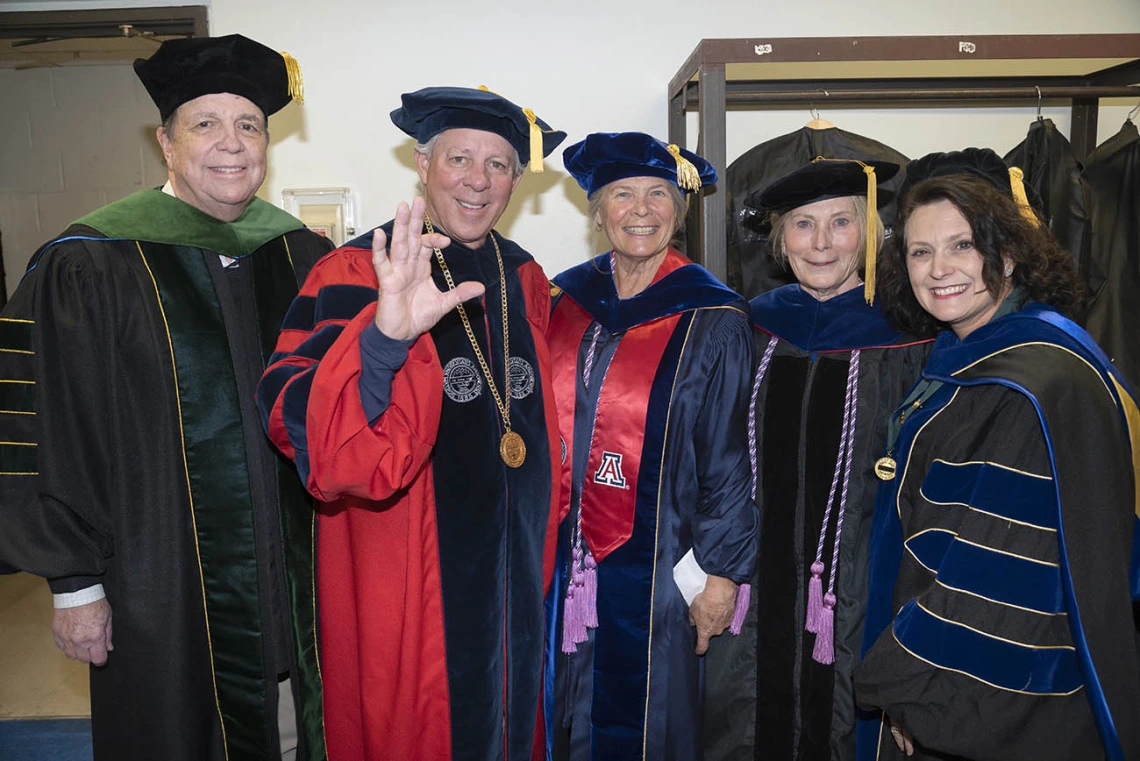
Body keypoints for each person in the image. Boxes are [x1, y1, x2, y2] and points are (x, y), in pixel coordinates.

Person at [0, 35, 332, 761]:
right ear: (166, 142)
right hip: (157, 583)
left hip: (290, 583)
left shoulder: (299, 257)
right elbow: (44, 427)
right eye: (205, 123)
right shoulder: (90, 263)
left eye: (249, 124)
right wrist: (74, 582)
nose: (231, 143)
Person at [257, 86, 566, 761]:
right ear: (422, 165)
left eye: (499, 164)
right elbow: (295, 417)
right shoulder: (356, 271)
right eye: (459, 158)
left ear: (517, 178)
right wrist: (383, 340)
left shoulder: (526, 279)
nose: (478, 180)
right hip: (407, 575)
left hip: (514, 576)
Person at [855, 148, 1140, 761]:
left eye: (962, 245)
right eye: (920, 251)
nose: (939, 269)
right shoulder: (983, 355)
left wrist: (915, 691)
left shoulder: (1026, 385)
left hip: (990, 702)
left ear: (1008, 253)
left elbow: (995, 570)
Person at [702, 157, 932, 761]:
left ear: (869, 233)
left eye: (841, 223)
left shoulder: (912, 336)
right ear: (781, 241)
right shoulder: (747, 327)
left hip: (859, 584)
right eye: (803, 225)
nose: (823, 243)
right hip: (752, 586)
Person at [543, 131, 759, 761]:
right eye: (622, 194)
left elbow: (729, 457)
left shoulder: (714, 317)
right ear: (598, 211)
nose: (641, 209)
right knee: (561, 708)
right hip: (558, 553)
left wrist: (721, 576)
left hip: (662, 562)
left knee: (650, 722)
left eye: (658, 194)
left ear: (679, 209)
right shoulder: (564, 302)